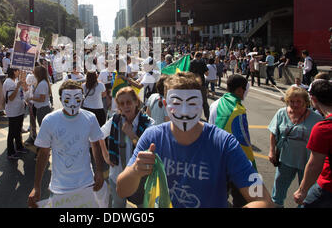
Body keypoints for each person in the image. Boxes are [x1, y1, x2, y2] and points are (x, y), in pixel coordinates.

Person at [116, 72, 274, 208]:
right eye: (176, 103)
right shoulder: (152, 137)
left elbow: (263, 199)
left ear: (201, 104)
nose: (184, 111)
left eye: (192, 103)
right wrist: (136, 171)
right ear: (165, 104)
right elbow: (122, 189)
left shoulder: (225, 143)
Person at [27, 80, 105, 208]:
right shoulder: (50, 120)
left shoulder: (90, 118)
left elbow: (95, 145)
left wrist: (100, 171)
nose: (73, 104)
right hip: (60, 187)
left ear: (82, 98)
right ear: (60, 99)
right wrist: (36, 186)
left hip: (86, 182)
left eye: (77, 98)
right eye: (68, 99)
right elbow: (43, 154)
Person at [267, 86, 323, 207]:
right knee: (278, 190)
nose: (295, 104)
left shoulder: (317, 119)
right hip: (285, 160)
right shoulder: (281, 113)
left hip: (308, 163)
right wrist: (272, 151)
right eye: (292, 101)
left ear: (305, 102)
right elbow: (273, 132)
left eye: (299, 102)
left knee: (305, 194)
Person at [99, 87, 155, 207]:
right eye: (122, 103)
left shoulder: (149, 123)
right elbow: (98, 135)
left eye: (129, 102)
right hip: (117, 176)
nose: (126, 106)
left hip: (139, 180)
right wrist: (105, 155)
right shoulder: (115, 120)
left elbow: (150, 151)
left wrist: (132, 135)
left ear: (136, 102)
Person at [208, 74, 256, 207]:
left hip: (215, 154)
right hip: (233, 159)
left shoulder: (216, 103)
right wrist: (251, 163)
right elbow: (244, 140)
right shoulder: (238, 110)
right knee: (240, 198)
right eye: (245, 90)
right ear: (239, 90)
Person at [292, 80, 332, 207]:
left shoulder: (323, 128)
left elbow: (314, 165)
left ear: (313, 99)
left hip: (327, 187)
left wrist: (302, 191)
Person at [3, 68, 28, 160]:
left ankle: (19, 147)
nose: (19, 72)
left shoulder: (16, 80)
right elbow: (11, 98)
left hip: (19, 110)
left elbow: (25, 89)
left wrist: (23, 82)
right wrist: (17, 87)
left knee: (18, 131)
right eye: (18, 71)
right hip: (13, 111)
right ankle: (10, 152)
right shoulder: (9, 82)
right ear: (14, 72)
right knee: (12, 132)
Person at [24, 65, 53, 146]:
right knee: (44, 128)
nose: (33, 73)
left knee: (44, 129)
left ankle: (45, 147)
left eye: (35, 71)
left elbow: (42, 99)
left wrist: (31, 98)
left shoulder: (42, 84)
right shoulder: (41, 82)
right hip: (41, 108)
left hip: (43, 109)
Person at [189, 52, 209, 119]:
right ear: (200, 56)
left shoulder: (191, 63)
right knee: (204, 102)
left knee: (193, 101)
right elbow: (207, 74)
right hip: (202, 83)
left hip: (193, 84)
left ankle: (194, 116)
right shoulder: (202, 63)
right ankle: (208, 116)